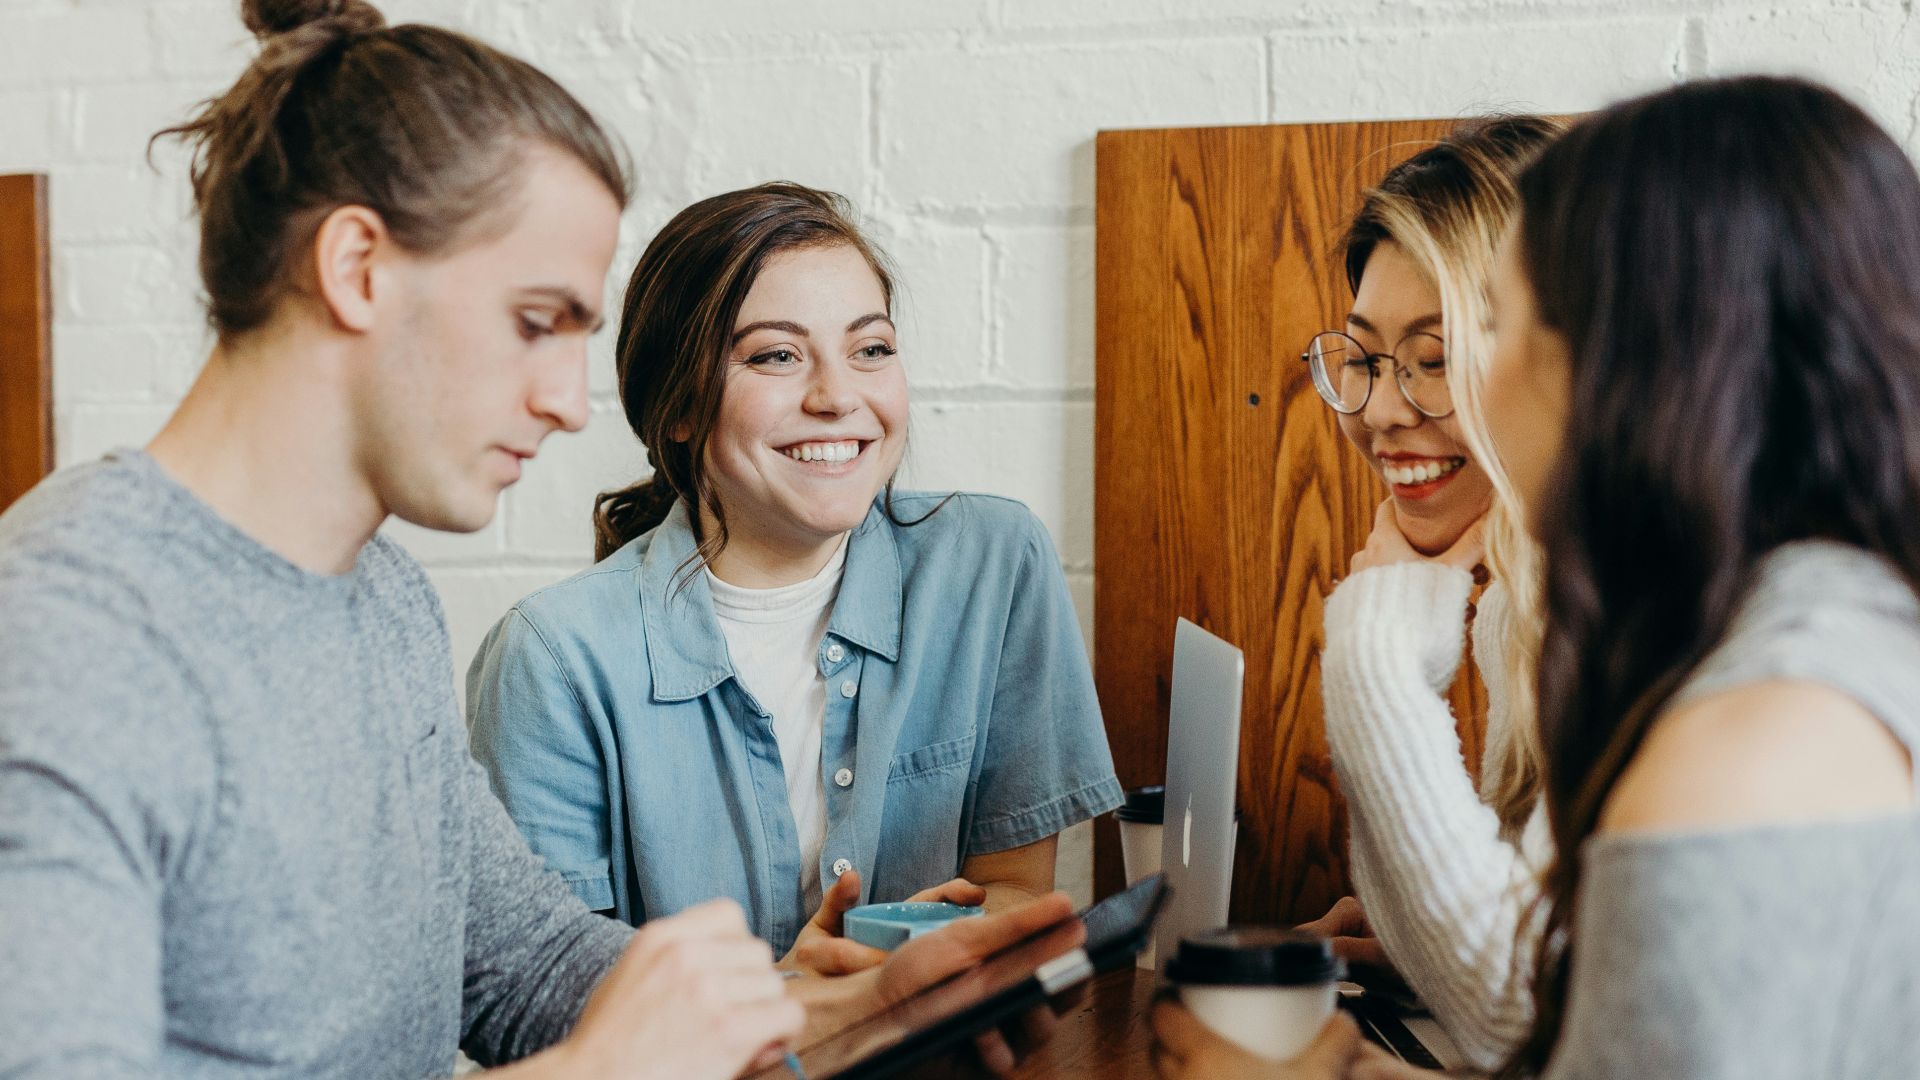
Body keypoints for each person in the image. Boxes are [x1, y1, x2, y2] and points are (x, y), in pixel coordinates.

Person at [0, 3, 1074, 1077]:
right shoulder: (65, 637)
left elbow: (522, 965)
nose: (570, 404)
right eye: (534, 323)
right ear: (358, 267)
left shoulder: (380, 598)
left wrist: (847, 1010)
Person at [1157, 74, 1920, 1080]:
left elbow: (1530, 1017)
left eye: (1499, 327)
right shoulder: (1808, 629)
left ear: (1638, 359)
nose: (1400, 404)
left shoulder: (1748, 742)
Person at [466, 181, 1124, 972]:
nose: (838, 396)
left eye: (870, 349)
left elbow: (1016, 891)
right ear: (676, 406)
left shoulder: (992, 564)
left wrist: (918, 959)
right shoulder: (552, 658)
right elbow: (552, 1001)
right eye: (776, 355)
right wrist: (800, 1002)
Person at [1292, 117, 1562, 1070]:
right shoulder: (1521, 602)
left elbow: (1519, 1017)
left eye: (1436, 358)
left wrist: (1373, 652)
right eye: (1362, 358)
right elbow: (1543, 972)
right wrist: (1419, 936)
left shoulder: (1634, 611)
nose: (1380, 410)